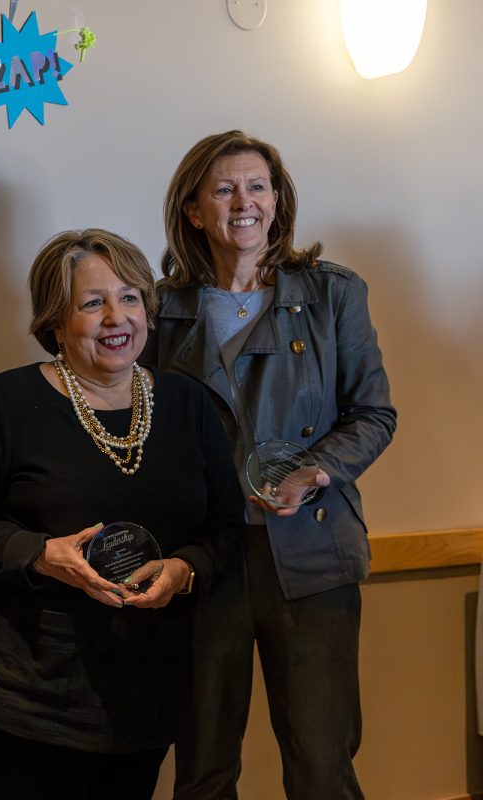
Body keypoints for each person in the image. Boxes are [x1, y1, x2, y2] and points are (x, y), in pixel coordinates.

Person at [0, 229, 245, 800]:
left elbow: (225, 529)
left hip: (144, 688)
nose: (115, 318)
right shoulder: (6, 401)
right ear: (56, 322)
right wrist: (40, 555)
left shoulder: (188, 404)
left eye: (129, 298)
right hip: (21, 685)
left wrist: (183, 570)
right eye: (92, 303)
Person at [147, 130, 397, 799]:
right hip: (204, 562)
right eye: (224, 188)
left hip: (312, 553)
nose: (244, 202)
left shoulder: (332, 294)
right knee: (202, 768)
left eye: (258, 186)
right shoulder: (156, 310)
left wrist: (314, 471)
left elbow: (374, 415)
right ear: (194, 210)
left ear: (279, 202)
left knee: (321, 764)